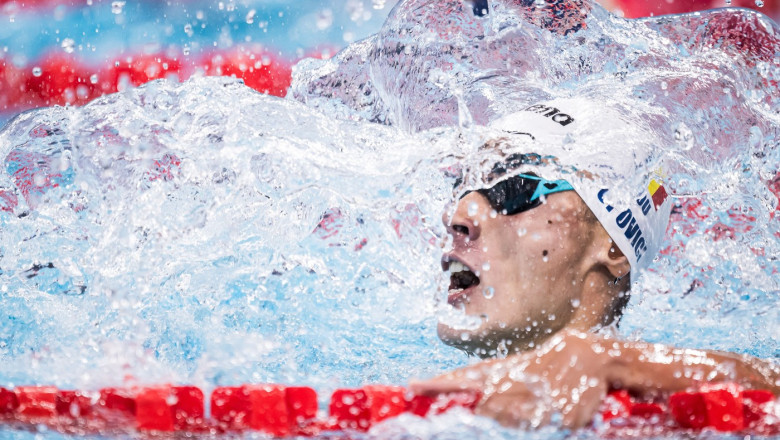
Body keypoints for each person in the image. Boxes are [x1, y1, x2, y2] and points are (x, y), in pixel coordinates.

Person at [409, 97, 780, 429]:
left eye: (513, 188)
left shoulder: (669, 421)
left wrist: (618, 363)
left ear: (614, 248)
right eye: (461, 185)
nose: (456, 214)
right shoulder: (413, 399)